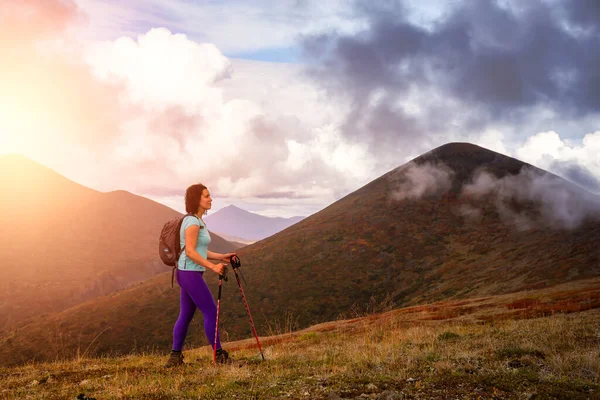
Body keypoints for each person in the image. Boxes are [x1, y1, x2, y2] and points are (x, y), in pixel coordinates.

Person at [165, 183, 236, 368]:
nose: (210, 198)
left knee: (186, 315)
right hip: (189, 273)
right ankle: (219, 355)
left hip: (188, 273)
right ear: (197, 199)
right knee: (211, 311)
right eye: (206, 195)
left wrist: (221, 256)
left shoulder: (198, 221)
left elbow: (200, 250)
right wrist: (213, 267)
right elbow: (190, 251)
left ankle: (174, 357)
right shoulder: (192, 222)